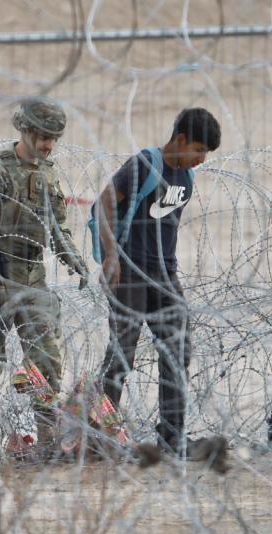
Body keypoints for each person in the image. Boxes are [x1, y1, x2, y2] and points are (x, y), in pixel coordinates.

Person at [0, 97, 88, 458]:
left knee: (45, 360)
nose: (47, 144)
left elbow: (56, 226)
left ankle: (45, 434)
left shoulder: (48, 172)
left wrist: (73, 258)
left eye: (53, 138)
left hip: (31, 278)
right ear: (24, 130)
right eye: (42, 136)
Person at [94, 107, 221, 458]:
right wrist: (111, 256)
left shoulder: (185, 179)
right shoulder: (145, 165)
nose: (200, 159)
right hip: (130, 273)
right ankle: (103, 435)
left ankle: (173, 438)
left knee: (177, 354)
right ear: (179, 139)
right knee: (122, 355)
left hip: (165, 275)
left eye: (205, 154)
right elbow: (104, 203)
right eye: (197, 150)